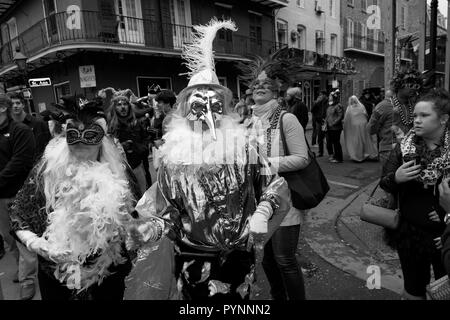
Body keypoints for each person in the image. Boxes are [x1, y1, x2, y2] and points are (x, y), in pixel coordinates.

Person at [123, 18, 291, 301]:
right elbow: (170, 213)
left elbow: (273, 185)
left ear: (224, 110)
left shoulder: (243, 147)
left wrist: (263, 211)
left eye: (215, 106)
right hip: (192, 258)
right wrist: (151, 228)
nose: (207, 114)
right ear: (186, 110)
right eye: (198, 106)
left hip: (239, 255)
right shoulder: (174, 159)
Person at [9, 98, 141, 300]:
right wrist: (37, 244)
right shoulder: (46, 172)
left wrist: (132, 229)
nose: (80, 141)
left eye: (90, 135)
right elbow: (19, 213)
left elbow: (137, 215)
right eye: (73, 134)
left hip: (108, 271)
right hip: (59, 271)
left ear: (101, 139)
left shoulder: (119, 173)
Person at [246, 63, 310, 300]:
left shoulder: (287, 119)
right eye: (256, 83)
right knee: (267, 259)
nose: (259, 86)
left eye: (266, 82)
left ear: (277, 89)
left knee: (284, 258)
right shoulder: (248, 122)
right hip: (257, 202)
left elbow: (301, 158)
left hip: (285, 201)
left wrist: (265, 163)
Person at [380, 89, 450, 300]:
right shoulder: (404, 147)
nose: (416, 121)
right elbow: (384, 183)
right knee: (413, 289)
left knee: (444, 292)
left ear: (443, 119)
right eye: (415, 115)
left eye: (424, 116)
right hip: (410, 234)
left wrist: (447, 216)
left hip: (445, 236)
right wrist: (397, 178)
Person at [0, 94, 36, 300]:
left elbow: (20, 162)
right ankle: (19, 268)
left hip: (18, 195)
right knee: (7, 237)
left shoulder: (20, 131)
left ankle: (28, 280)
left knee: (23, 239)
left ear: (2, 109)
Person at [368, 72, 421, 167]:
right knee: (389, 180)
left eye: (416, 86)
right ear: (399, 85)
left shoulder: (414, 106)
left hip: (409, 151)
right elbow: (370, 129)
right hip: (389, 152)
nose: (414, 88)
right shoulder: (384, 106)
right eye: (411, 85)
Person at [108, 90, 150, 195]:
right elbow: (108, 148)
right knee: (127, 196)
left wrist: (141, 149)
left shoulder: (136, 123)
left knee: (142, 195)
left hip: (137, 165)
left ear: (129, 106)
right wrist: (121, 146)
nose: (123, 107)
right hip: (120, 168)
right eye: (119, 105)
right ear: (115, 108)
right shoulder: (111, 127)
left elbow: (145, 138)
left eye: (125, 104)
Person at [9, 92, 51, 160]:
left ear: (23, 105)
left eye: (18, 103)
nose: (15, 106)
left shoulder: (38, 123)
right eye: (12, 104)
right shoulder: (9, 127)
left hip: (37, 165)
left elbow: (48, 146)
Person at [343, 96, 378, 162]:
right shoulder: (361, 106)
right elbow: (366, 115)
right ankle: (367, 153)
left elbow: (347, 119)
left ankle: (358, 155)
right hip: (363, 125)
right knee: (365, 140)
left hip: (355, 127)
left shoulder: (349, 108)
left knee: (357, 141)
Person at [325, 89, 344, 163]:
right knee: (331, 142)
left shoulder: (338, 105)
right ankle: (335, 156)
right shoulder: (330, 105)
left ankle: (339, 158)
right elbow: (328, 115)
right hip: (329, 127)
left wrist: (333, 123)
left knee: (336, 143)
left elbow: (340, 116)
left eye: (330, 96)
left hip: (336, 128)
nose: (329, 97)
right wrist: (326, 122)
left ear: (333, 97)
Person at [311, 90, 329, 156]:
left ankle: (331, 153)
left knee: (328, 139)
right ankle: (320, 152)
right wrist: (316, 102)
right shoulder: (318, 102)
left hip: (327, 122)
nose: (320, 96)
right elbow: (312, 110)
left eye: (321, 95)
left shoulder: (328, 102)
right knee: (320, 138)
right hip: (319, 122)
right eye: (319, 95)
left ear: (325, 95)